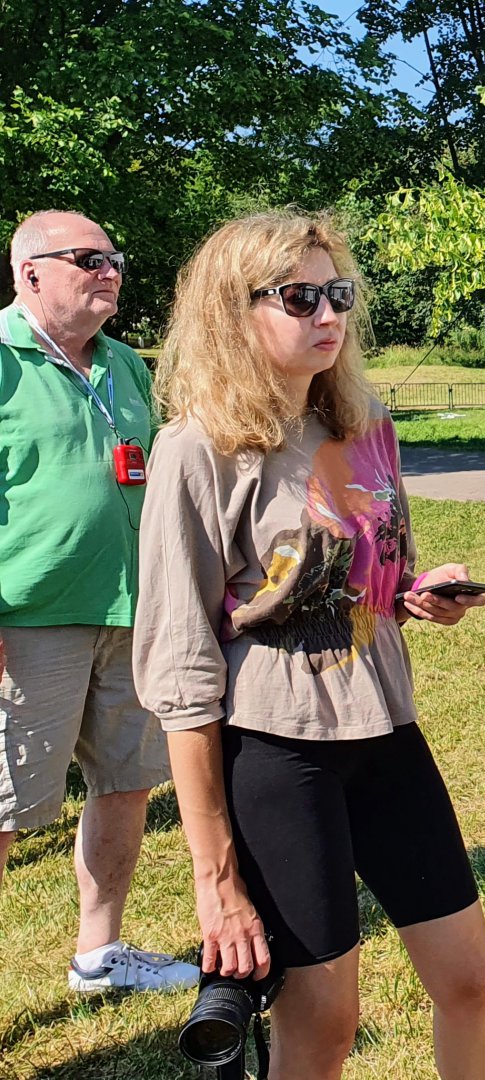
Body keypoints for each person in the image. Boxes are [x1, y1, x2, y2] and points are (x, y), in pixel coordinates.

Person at [134, 212, 485, 1079]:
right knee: (326, 1021)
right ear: (233, 311)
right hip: (276, 751)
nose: (328, 315)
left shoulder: (363, 422)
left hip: (386, 730)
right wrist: (216, 881)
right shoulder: (198, 449)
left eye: (337, 294)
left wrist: (415, 594)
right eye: (299, 297)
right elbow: (182, 671)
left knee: (470, 983)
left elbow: (374, 579)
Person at [0, 210, 197, 994]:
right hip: (27, 622)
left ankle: (99, 954)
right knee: (5, 805)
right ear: (30, 272)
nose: (109, 270)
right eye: (88, 258)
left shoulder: (123, 364)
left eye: (114, 257)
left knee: (126, 781)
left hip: (132, 612)